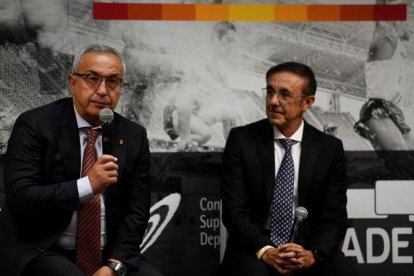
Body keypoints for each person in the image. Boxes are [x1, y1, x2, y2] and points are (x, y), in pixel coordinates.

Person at [0, 45, 162, 276]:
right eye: (92, 78)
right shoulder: (35, 124)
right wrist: (87, 185)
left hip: (108, 254)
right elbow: (22, 199)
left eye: (113, 81)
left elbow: (136, 212)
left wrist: (114, 266)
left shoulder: (133, 134)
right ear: (72, 82)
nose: (103, 90)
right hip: (42, 247)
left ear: (121, 88)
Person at [220, 62, 359, 276]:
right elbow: (234, 212)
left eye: (285, 94)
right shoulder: (242, 140)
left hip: (308, 248)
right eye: (270, 92)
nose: (273, 101)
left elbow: (334, 218)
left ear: (307, 102)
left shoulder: (329, 149)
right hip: (255, 247)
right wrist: (265, 250)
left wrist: (313, 254)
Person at [163, 21, 239, 151]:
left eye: (233, 42)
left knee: (231, 112)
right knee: (205, 134)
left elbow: (227, 94)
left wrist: (232, 98)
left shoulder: (221, 68)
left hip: (199, 113)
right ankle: (182, 146)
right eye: (228, 40)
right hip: (178, 113)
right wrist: (218, 89)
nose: (231, 46)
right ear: (215, 38)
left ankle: (234, 153)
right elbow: (196, 80)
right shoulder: (200, 54)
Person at [354, 15, 414, 150]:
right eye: (409, 21)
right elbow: (381, 19)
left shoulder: (400, 49)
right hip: (379, 109)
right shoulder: (387, 40)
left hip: (396, 113)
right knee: (404, 165)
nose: (412, 28)